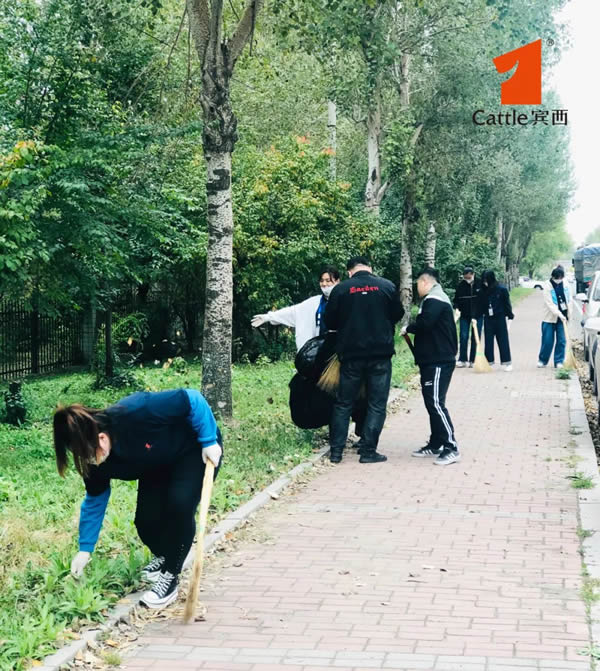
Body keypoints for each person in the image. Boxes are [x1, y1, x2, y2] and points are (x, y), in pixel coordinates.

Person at [52, 388, 222, 609]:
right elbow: (95, 500)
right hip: (157, 463)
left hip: (193, 449)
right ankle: (165, 556)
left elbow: (192, 399)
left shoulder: (137, 411)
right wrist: (85, 549)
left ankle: (170, 575)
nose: (92, 462)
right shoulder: (92, 461)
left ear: (101, 438)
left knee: (179, 505)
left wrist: (209, 440)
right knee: (146, 522)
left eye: (92, 456)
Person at [324, 256, 404, 464]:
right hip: (380, 355)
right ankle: (368, 451)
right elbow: (398, 313)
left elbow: (330, 321)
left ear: (349, 271)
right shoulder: (386, 286)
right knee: (377, 403)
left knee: (343, 403)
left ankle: (336, 452)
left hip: (351, 355)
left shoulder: (341, 290)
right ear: (370, 268)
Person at [403, 268, 460, 465]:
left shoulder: (434, 299)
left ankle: (451, 446)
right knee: (432, 402)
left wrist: (409, 328)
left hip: (439, 360)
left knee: (435, 403)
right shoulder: (434, 298)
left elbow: (425, 324)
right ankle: (436, 443)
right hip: (432, 359)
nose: (416, 288)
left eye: (418, 283)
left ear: (425, 282)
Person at [251, 266, 340, 351]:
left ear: (337, 281)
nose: (324, 284)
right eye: (321, 281)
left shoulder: (344, 300)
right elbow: (293, 312)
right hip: (318, 350)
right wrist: (268, 317)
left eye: (328, 281)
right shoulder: (314, 303)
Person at [480, 270, 514, 371]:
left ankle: (507, 362)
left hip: (500, 318)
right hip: (488, 318)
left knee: (503, 340)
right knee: (488, 341)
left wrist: (510, 315)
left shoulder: (501, 289)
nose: (485, 282)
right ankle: (489, 362)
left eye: (486, 280)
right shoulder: (483, 290)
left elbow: (507, 303)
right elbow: (480, 305)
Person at [538, 266, 570, 368]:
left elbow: (569, 300)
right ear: (553, 277)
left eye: (561, 278)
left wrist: (567, 315)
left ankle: (559, 361)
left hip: (563, 318)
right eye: (557, 278)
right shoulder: (547, 286)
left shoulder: (565, 284)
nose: (559, 280)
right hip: (549, 318)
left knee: (562, 340)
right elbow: (550, 304)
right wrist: (559, 314)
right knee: (547, 341)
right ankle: (543, 360)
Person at [453, 266, 483, 368]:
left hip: (478, 315)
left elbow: (484, 300)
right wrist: (457, 308)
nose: (467, 279)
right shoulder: (460, 285)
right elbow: (456, 300)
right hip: (465, 315)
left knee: (476, 337)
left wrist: (480, 312)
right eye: (465, 277)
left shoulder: (480, 284)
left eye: (469, 277)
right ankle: (462, 359)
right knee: (463, 336)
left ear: (473, 274)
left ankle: (473, 360)